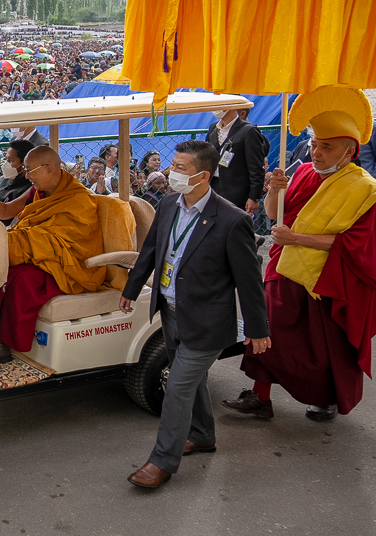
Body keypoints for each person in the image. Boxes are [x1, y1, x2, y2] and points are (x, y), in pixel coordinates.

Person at [222, 86, 376, 422]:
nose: (316, 153)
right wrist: (274, 190)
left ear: (349, 151)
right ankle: (260, 396)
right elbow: (273, 216)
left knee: (325, 345)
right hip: (285, 267)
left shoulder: (365, 190)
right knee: (267, 329)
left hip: (327, 278)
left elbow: (356, 246)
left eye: (326, 147)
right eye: (314, 145)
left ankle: (325, 398)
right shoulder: (302, 173)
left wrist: (296, 237)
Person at [119, 140, 270, 489]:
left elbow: (249, 281)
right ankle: (202, 435)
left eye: (181, 169)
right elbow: (152, 249)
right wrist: (132, 288)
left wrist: (258, 328)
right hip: (171, 311)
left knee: (177, 385)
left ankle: (162, 461)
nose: (172, 173)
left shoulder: (232, 221)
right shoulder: (170, 203)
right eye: (173, 165)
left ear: (203, 176)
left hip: (207, 321)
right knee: (192, 381)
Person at [0, 146, 107, 361]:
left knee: (20, 278)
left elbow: (64, 242)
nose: (26, 175)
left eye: (29, 169)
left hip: (69, 265)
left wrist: (19, 242)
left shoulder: (79, 199)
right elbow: (15, 217)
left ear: (49, 168)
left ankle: (3, 342)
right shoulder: (37, 191)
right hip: (43, 254)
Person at [205, 108, 268, 212]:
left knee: (233, 223)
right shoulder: (213, 128)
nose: (215, 108)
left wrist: (254, 197)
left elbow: (256, 166)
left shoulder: (248, 130)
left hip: (237, 190)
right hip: (213, 185)